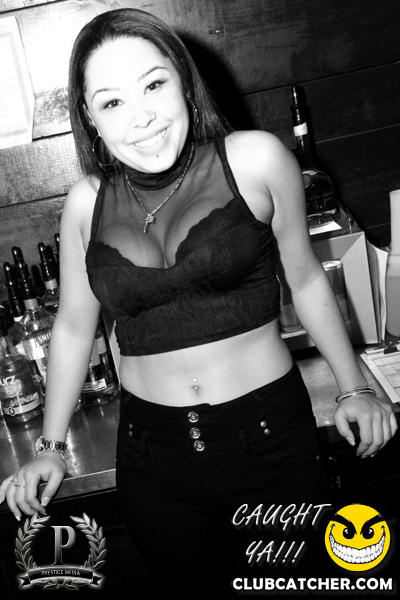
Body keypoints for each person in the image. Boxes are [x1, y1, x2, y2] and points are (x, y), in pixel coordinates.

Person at [0, 8, 397, 596]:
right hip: (152, 457)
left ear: (185, 83)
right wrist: (52, 448)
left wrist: (354, 387)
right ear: (89, 117)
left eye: (154, 85)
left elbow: (307, 279)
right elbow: (74, 328)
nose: (141, 117)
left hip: (268, 440)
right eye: (112, 102)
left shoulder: (256, 159)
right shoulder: (86, 203)